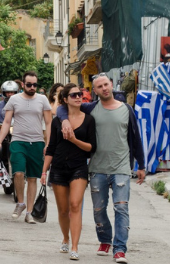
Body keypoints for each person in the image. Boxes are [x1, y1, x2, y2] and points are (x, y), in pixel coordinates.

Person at [58, 74, 145, 263]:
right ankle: (105, 239)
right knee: (99, 210)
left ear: (111, 85)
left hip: (121, 167)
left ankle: (120, 249)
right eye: (99, 86)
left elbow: (136, 138)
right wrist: (64, 120)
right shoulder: (91, 108)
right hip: (97, 168)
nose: (104, 88)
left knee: (121, 209)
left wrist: (142, 165)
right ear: (95, 91)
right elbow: (62, 107)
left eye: (106, 84)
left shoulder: (127, 109)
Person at [41, 83, 97, 261]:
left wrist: (74, 139)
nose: (78, 97)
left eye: (80, 94)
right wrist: (44, 172)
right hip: (58, 167)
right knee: (63, 210)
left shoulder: (89, 120)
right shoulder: (58, 121)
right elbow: (51, 148)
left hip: (79, 167)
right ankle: (65, 238)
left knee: (75, 206)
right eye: (73, 95)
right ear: (65, 100)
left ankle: (74, 246)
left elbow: (91, 148)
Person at [0, 71, 52, 224]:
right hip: (18, 141)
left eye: (35, 85)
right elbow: (7, 122)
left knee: (33, 178)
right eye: (29, 84)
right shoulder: (14, 99)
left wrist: (48, 144)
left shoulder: (43, 99)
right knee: (18, 173)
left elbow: (48, 122)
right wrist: (0, 141)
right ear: (23, 84)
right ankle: (21, 203)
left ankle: (29, 213)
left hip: (37, 142)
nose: (32, 87)